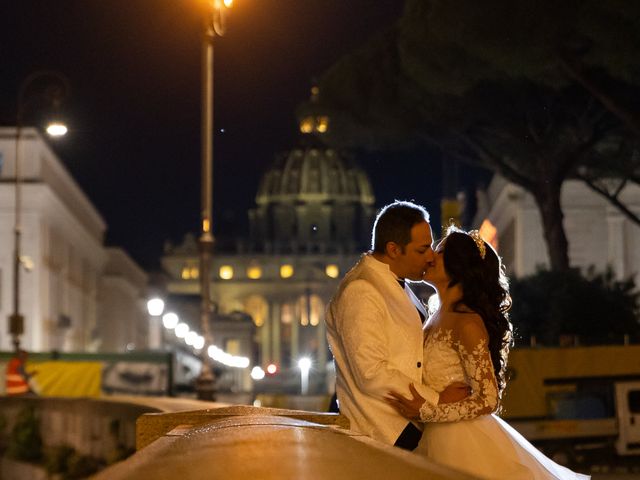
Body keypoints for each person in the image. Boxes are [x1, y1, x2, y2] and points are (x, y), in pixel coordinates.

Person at [386, 226, 589, 479]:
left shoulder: (466, 323)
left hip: (461, 441)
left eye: (439, 252)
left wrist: (428, 410)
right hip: (434, 436)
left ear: (458, 267)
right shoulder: (435, 316)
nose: (430, 256)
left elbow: (488, 399)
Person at [325, 201, 469, 450]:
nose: (431, 257)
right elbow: (371, 373)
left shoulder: (397, 284)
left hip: (409, 424)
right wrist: (437, 399)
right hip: (384, 431)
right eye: (423, 249)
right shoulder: (361, 290)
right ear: (393, 249)